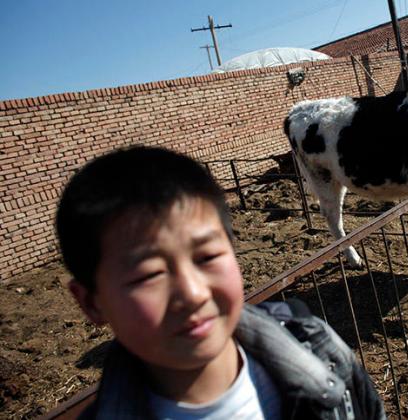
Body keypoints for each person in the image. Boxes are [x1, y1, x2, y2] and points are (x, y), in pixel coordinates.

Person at [56, 146, 386, 419]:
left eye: (207, 257)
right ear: (91, 302)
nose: (193, 293)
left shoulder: (317, 347)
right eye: (148, 275)